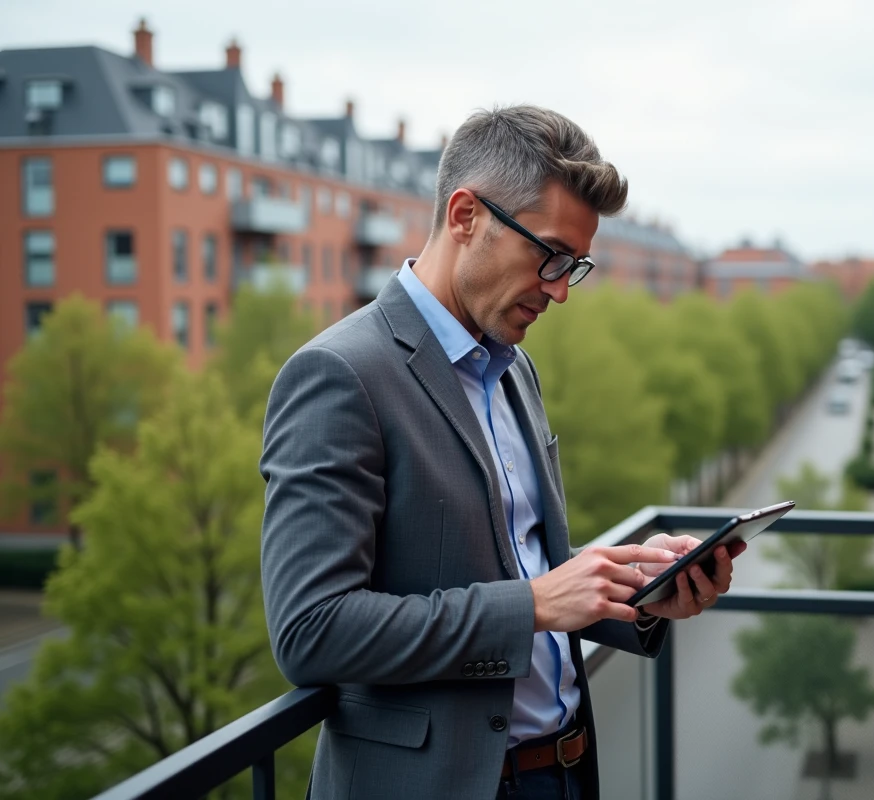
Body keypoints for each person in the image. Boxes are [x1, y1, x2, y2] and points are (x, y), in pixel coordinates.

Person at [260, 104, 743, 800]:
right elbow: (312, 631)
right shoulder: (339, 375)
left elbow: (527, 567)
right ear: (464, 216)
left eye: (573, 266)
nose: (558, 291)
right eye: (547, 255)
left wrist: (635, 594)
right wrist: (534, 605)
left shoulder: (512, 366)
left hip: (569, 768)